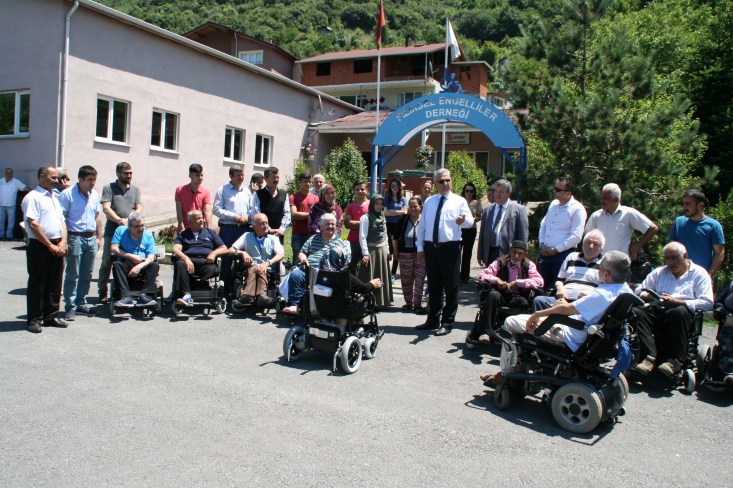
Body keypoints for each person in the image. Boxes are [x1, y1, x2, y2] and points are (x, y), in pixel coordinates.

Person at [483, 251, 632, 386]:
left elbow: (565, 310)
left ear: (606, 274)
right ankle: (518, 370)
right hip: (588, 335)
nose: (598, 269)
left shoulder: (601, 295)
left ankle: (507, 374)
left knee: (510, 322)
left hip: (572, 335)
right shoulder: (625, 291)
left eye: (600, 268)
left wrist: (537, 314)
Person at [632, 242, 714, 377]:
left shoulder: (699, 274)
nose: (670, 262)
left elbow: (708, 302)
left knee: (679, 311)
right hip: (658, 310)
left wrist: (677, 302)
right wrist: (649, 295)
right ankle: (649, 356)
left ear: (685, 256)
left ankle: (675, 361)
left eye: (674, 258)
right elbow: (639, 290)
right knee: (637, 312)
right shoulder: (659, 272)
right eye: (667, 258)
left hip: (682, 315)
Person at [416, 168, 474, 336]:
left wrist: (463, 221)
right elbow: (423, 226)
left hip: (450, 249)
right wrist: (420, 248)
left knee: (451, 287)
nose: (445, 183)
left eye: (448, 180)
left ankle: (447, 322)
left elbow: (470, 222)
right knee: (434, 286)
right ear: (435, 183)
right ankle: (432, 320)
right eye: (441, 181)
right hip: (431, 248)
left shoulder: (459, 201)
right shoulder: (429, 202)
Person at [468, 240, 544, 346]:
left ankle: (519, 333)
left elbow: (539, 281)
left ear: (525, 254)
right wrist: (496, 280)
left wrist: (517, 282)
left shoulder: (529, 265)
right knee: (492, 295)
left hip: (518, 296)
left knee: (525, 303)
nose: (516, 256)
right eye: (514, 252)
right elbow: (481, 275)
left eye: (520, 253)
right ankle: (486, 333)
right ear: (510, 251)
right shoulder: (500, 262)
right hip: (501, 294)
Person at [22, 165, 69, 333]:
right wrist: (49, 245)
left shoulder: (54, 197)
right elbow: (33, 224)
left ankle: (51, 315)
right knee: (38, 283)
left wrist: (63, 242)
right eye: (53, 177)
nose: (57, 180)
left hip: (57, 244)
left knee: (55, 282)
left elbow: (62, 221)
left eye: (57, 177)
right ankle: (34, 319)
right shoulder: (33, 197)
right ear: (42, 176)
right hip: (40, 245)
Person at [282, 213, 352, 314]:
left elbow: (346, 260)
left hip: (328, 273)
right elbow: (302, 253)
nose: (331, 226)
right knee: (295, 275)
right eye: (327, 224)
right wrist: (303, 259)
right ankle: (295, 306)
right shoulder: (313, 239)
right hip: (309, 270)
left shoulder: (340, 242)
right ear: (321, 227)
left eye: (333, 224)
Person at [58, 165, 102, 320]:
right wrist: (63, 240)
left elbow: (97, 216)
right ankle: (70, 307)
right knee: (73, 273)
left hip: (91, 238)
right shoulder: (67, 194)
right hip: (75, 237)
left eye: (94, 179)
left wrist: (99, 237)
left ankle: (81, 303)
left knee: (87, 274)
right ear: (80, 179)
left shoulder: (94, 195)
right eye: (90, 180)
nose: (92, 183)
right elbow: (62, 218)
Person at [97, 162, 142, 303]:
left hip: (131, 232)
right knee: (107, 261)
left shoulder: (135, 190)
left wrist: (130, 219)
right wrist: (119, 220)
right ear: (118, 173)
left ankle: (127, 289)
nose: (129, 175)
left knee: (128, 260)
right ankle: (102, 291)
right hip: (113, 230)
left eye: (130, 173)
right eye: (126, 173)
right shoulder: (109, 188)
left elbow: (139, 208)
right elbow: (106, 208)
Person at [531, 230, 605, 312]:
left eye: (595, 244)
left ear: (601, 249)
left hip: (585, 303)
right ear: (583, 244)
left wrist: (592, 293)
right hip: (563, 299)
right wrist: (560, 288)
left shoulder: (604, 263)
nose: (591, 246)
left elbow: (607, 289)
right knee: (539, 301)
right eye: (588, 242)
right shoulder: (572, 257)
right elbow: (559, 280)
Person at [584, 183, 658, 260]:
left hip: (620, 262)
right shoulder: (596, 216)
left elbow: (653, 228)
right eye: (601, 197)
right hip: (598, 262)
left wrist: (637, 246)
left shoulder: (628, 214)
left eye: (605, 198)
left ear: (616, 200)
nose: (601, 201)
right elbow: (587, 237)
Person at [172, 210, 228, 307]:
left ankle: (197, 285)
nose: (202, 220)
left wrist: (213, 253)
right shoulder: (183, 234)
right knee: (179, 263)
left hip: (206, 262)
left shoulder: (210, 232)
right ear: (190, 222)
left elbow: (224, 248)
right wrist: (186, 259)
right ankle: (187, 295)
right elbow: (175, 249)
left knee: (212, 269)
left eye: (202, 218)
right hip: (189, 262)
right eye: (198, 219)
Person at [538, 177, 587, 287]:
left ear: (568, 193)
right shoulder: (553, 204)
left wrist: (556, 250)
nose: (554, 191)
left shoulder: (577, 209)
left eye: (558, 190)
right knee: (540, 286)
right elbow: (544, 224)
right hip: (545, 254)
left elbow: (576, 236)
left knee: (558, 287)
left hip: (562, 256)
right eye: (554, 188)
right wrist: (542, 244)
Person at [229, 213, 285, 307]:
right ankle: (261, 296)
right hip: (250, 267)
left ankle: (247, 295)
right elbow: (230, 250)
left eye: (266, 223)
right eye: (262, 223)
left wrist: (267, 263)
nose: (266, 226)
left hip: (268, 268)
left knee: (260, 268)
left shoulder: (273, 239)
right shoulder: (247, 236)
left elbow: (281, 254)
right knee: (256, 268)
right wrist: (242, 253)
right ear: (254, 226)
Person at [213, 164, 252, 298]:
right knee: (227, 259)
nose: (241, 177)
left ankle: (242, 290)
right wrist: (233, 216)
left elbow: (252, 209)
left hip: (244, 229)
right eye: (238, 175)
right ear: (231, 176)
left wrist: (247, 216)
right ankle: (225, 290)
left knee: (244, 259)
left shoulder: (247, 191)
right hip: (228, 229)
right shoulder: (223, 190)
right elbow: (216, 209)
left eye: (242, 175)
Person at [669, 189, 725, 277]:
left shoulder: (713, 226)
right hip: (678, 276)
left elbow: (719, 252)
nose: (684, 207)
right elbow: (671, 249)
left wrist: (709, 275)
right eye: (683, 204)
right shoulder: (679, 222)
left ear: (700, 205)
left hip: (701, 276)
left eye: (688, 204)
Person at [477, 179, 528, 270]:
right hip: (490, 253)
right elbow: (482, 234)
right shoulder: (487, 210)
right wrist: (480, 254)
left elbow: (523, 235)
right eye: (496, 191)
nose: (497, 194)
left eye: (501, 192)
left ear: (509, 193)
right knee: (490, 277)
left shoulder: (519, 210)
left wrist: (520, 256)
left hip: (508, 254)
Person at [110, 212, 159, 308]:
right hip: (127, 261)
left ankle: (145, 295)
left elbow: (151, 257)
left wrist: (139, 266)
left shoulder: (148, 236)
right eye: (137, 226)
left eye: (142, 225)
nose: (141, 229)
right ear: (129, 226)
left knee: (154, 265)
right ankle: (125, 296)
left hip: (142, 262)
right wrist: (131, 256)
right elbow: (114, 248)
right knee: (116, 264)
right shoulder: (120, 231)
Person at [358, 195, 393, 307]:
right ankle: (367, 301)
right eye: (376, 204)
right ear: (372, 204)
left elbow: (385, 235)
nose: (379, 206)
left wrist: (387, 251)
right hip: (371, 251)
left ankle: (380, 301)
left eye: (381, 204)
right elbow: (362, 237)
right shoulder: (365, 218)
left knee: (381, 275)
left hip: (382, 250)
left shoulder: (383, 217)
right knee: (369, 276)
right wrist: (365, 253)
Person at [397, 196, 427, 314]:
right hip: (405, 254)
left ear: (420, 207)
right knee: (406, 280)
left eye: (415, 206)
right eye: (410, 206)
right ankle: (409, 303)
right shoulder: (403, 219)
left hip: (421, 254)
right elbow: (395, 236)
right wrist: (395, 251)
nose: (413, 209)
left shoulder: (425, 220)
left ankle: (417, 304)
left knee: (419, 279)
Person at [251, 166, 290, 244]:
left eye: (277, 177)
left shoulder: (284, 195)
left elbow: (287, 214)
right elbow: (256, 214)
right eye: (273, 177)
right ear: (266, 179)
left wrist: (281, 230)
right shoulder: (258, 194)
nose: (276, 180)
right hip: (262, 235)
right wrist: (269, 230)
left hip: (279, 235)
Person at [289, 172, 319, 260]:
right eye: (305, 181)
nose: (308, 184)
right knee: (297, 259)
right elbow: (294, 214)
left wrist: (303, 215)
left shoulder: (316, 198)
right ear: (300, 182)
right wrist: (311, 214)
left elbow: (318, 215)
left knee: (312, 259)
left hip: (312, 234)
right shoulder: (293, 197)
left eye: (309, 181)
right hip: (298, 234)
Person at [175, 163, 212, 231]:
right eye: (197, 175)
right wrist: (181, 225)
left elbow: (207, 212)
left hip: (200, 228)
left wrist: (209, 230)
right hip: (185, 228)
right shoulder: (180, 190)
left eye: (201, 175)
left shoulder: (206, 192)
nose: (200, 178)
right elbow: (179, 211)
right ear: (190, 176)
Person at [344, 180, 370, 274]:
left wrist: (354, 223)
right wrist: (364, 223)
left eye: (362, 189)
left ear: (367, 190)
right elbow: (347, 224)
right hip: (353, 241)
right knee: (351, 268)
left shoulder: (371, 205)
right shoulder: (350, 206)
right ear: (354, 191)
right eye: (357, 189)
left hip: (367, 241)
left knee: (367, 268)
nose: (360, 191)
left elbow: (373, 224)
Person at [384, 177, 408, 278]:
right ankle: (385, 272)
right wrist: (398, 212)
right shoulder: (387, 198)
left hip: (399, 226)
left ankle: (393, 272)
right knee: (389, 248)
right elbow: (385, 213)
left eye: (397, 186)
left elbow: (405, 212)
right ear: (390, 187)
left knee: (396, 249)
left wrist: (392, 211)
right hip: (388, 225)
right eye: (393, 186)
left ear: (400, 187)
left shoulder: (403, 199)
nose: (395, 188)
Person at [459, 182, 483, 282]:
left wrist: (474, 220)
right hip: (459, 230)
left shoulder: (476, 203)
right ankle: (455, 275)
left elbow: (480, 216)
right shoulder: (459, 201)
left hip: (471, 230)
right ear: (464, 191)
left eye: (471, 191)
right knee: (457, 253)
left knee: (467, 254)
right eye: (467, 191)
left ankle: (464, 276)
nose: (469, 193)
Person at [0, 167, 30, 240]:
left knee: (11, 222)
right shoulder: (1, 181)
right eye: (8, 173)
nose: (10, 174)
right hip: (1, 204)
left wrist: (33, 191)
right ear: (5, 173)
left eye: (11, 173)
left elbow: (24, 187)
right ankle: (1, 235)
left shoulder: (16, 182)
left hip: (11, 205)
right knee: (0, 221)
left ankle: (9, 235)